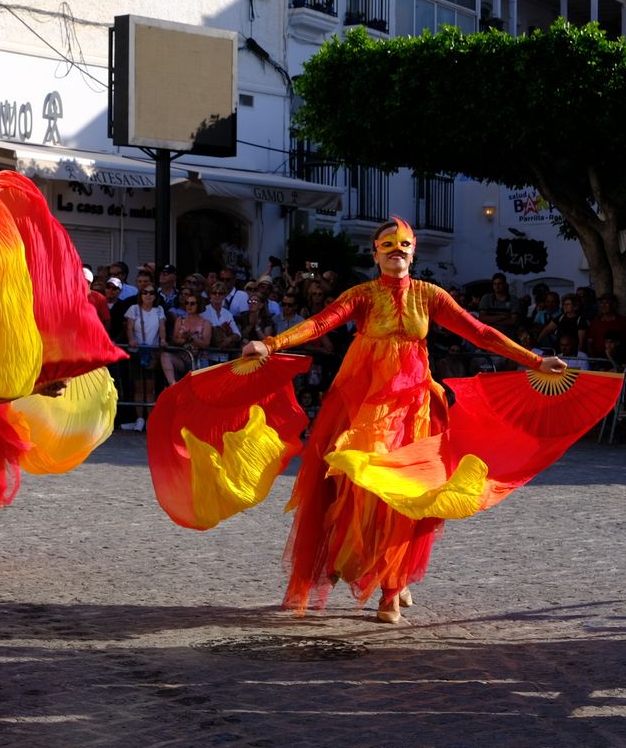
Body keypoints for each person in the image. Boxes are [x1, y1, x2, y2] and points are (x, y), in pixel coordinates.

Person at [242, 218, 564, 623]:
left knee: (408, 494)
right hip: (364, 408)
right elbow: (321, 322)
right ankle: (373, 571)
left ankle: (392, 588)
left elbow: (480, 332)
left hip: (414, 409)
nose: (397, 250)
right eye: (388, 244)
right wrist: (270, 344)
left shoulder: (430, 296)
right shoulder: (362, 295)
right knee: (361, 493)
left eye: (404, 244)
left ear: (414, 252)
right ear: (375, 252)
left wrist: (536, 361)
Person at [119, 286, 166, 431]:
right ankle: (139, 418)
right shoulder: (134, 309)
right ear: (140, 295)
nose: (148, 295)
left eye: (152, 292)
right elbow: (129, 327)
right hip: (137, 351)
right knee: (138, 386)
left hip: (152, 351)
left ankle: (150, 419)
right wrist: (131, 339)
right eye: (145, 292)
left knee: (150, 387)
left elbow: (162, 327)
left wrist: (163, 340)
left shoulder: (159, 310)